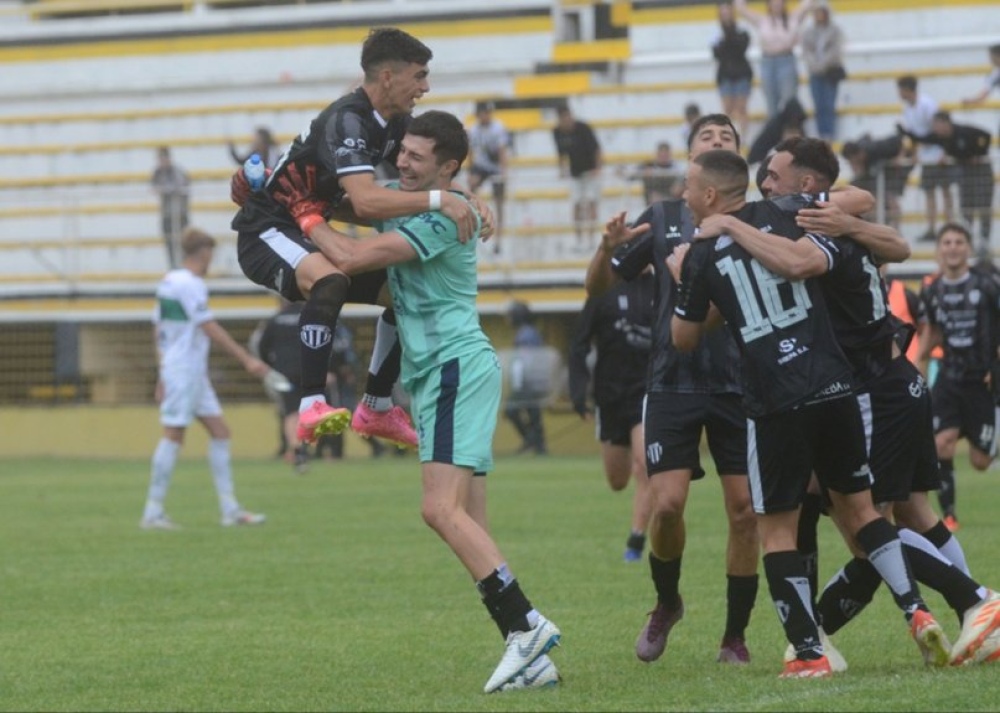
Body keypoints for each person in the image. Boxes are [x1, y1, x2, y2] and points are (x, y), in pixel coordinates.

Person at [268, 109, 562, 693]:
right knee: (469, 520)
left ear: (447, 169)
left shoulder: (438, 218)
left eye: (416, 158)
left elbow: (349, 261)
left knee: (439, 511)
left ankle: (526, 627)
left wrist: (303, 214)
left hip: (454, 369)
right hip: (444, 375)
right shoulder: (441, 205)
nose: (401, 161)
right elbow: (365, 212)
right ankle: (529, 652)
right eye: (401, 150)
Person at [718, 136, 1000, 669]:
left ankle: (973, 601)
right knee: (911, 513)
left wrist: (730, 230)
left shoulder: (811, 225)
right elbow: (884, 230)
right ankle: (961, 615)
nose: (766, 181)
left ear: (804, 184)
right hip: (893, 383)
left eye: (774, 174)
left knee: (862, 522)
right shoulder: (827, 215)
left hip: (871, 390)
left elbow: (822, 251)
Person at [670, 148, 948, 678]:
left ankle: (808, 651)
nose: (682, 195)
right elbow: (856, 209)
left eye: (687, 186)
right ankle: (917, 610)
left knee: (776, 528)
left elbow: (683, 339)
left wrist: (687, 276)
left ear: (710, 195)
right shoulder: (789, 212)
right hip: (835, 384)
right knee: (864, 513)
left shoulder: (703, 250)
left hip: (774, 399)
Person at [231, 27, 485, 451]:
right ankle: (312, 403)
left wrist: (464, 195)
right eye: (419, 76)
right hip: (268, 228)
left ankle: (376, 405)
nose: (426, 87)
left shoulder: (394, 124)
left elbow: (399, 184)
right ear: (388, 77)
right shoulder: (349, 119)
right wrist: (442, 200)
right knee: (331, 280)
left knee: (404, 292)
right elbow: (366, 203)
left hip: (306, 222)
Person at [587, 114, 760, 667]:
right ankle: (667, 602)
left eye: (726, 139)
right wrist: (604, 248)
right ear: (689, 160)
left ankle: (734, 636)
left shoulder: (753, 222)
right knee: (666, 504)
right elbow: (599, 286)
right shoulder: (661, 217)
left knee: (744, 511)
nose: (716, 142)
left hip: (740, 383)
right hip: (670, 382)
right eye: (706, 138)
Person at [141, 227, 269, 530]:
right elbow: (208, 326)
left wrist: (162, 371)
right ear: (204, 254)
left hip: (185, 370)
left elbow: (158, 330)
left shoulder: (168, 281)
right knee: (173, 434)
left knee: (220, 431)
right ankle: (153, 511)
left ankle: (230, 509)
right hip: (184, 369)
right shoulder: (192, 284)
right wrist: (246, 359)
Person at [918, 223, 1000, 532]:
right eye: (947, 242)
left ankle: (969, 429)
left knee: (980, 462)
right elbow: (933, 334)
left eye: (958, 242)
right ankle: (949, 515)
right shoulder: (931, 289)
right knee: (942, 445)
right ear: (939, 250)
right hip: (950, 377)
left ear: (967, 248)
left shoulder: (989, 284)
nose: (952, 247)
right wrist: (919, 364)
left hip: (982, 381)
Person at [568, 267, 654, 562]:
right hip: (610, 396)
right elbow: (579, 343)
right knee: (617, 481)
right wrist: (578, 391)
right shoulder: (603, 291)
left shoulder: (661, 286)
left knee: (645, 466)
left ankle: (636, 540)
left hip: (648, 393)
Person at [899, 112, 994, 254]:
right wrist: (905, 132)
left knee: (984, 207)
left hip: (982, 172)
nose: (935, 130)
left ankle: (984, 241)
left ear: (945, 124)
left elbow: (987, 135)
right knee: (966, 208)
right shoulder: (941, 139)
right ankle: (970, 241)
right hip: (966, 175)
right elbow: (922, 139)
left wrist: (980, 153)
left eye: (937, 126)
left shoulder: (964, 132)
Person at [251, 298, 310, 472]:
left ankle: (296, 450)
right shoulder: (309, 316)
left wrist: (271, 367)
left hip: (284, 373)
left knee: (291, 412)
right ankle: (309, 446)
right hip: (309, 370)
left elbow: (262, 346)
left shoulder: (275, 319)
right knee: (310, 409)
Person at [896, 75, 956, 242]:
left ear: (907, 90)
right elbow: (914, 136)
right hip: (926, 156)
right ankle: (932, 228)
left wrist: (945, 152)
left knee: (945, 191)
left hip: (938, 153)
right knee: (929, 192)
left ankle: (949, 225)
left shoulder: (927, 105)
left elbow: (941, 130)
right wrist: (915, 154)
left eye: (900, 90)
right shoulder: (907, 109)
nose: (899, 94)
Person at [734, 0, 815, 120]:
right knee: (771, 103)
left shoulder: (793, 17)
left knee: (789, 101)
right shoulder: (762, 20)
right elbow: (741, 8)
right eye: (773, 3)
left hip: (786, 60)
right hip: (768, 62)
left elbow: (809, 3)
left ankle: (792, 131)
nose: (777, 5)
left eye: (779, 2)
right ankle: (775, 134)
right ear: (769, 5)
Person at [553, 104, 602, 251]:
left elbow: (596, 149)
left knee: (592, 203)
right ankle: (579, 240)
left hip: (590, 172)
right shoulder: (557, 132)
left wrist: (597, 168)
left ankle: (592, 239)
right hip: (575, 174)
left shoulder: (583, 128)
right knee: (576, 205)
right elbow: (561, 154)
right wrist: (562, 170)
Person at [503, 301, 550, 456]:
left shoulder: (526, 334)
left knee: (512, 410)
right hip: (533, 381)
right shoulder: (528, 332)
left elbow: (525, 361)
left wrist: (520, 382)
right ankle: (537, 445)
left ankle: (532, 441)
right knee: (533, 414)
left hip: (528, 382)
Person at [841, 133, 914, 230]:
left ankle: (895, 230)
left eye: (854, 161)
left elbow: (900, 139)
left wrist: (900, 157)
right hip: (879, 174)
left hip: (894, 168)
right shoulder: (862, 159)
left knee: (891, 200)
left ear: (860, 154)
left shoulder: (877, 148)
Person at [467, 101, 510, 253]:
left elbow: (502, 151)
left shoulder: (498, 128)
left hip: (496, 168)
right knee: (470, 193)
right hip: (482, 166)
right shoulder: (474, 130)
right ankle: (473, 224)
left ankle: (498, 240)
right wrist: (470, 171)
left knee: (499, 203)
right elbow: (471, 152)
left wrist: (503, 173)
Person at [800, 0, 845, 141]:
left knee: (829, 105)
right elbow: (806, 51)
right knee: (818, 105)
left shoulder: (835, 30)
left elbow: (836, 51)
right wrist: (815, 65)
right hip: (815, 74)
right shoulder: (808, 32)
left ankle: (829, 134)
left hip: (829, 72)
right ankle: (821, 134)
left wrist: (822, 64)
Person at [711, 2, 753, 141]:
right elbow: (717, 53)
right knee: (727, 108)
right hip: (726, 73)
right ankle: (729, 136)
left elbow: (740, 48)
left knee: (741, 107)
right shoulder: (716, 33)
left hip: (740, 72)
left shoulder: (741, 30)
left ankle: (743, 137)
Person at [150, 145, 190, 270]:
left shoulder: (176, 171)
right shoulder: (157, 172)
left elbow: (181, 186)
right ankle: (174, 268)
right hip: (166, 214)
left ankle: (184, 268)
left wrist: (166, 189)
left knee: (183, 244)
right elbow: (154, 188)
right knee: (169, 244)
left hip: (180, 214)